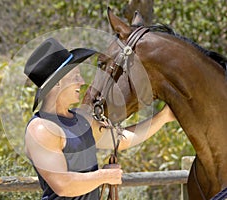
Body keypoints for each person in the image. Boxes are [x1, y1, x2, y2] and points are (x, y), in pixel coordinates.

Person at [24, 38, 176, 199]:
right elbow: (63, 185)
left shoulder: (82, 120)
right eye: (75, 77)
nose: (82, 82)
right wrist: (105, 176)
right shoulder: (41, 129)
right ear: (56, 84)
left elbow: (122, 140)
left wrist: (163, 116)